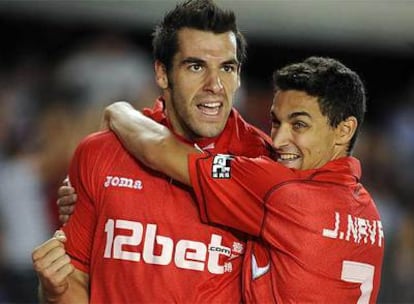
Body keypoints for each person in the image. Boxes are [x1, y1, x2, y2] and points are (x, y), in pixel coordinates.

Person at [31, 0, 274, 303]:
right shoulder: (101, 152)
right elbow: (74, 280)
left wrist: (117, 111)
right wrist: (56, 292)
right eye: (196, 66)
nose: (215, 85)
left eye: (227, 68)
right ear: (162, 73)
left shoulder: (267, 164)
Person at [97, 57, 385, 303]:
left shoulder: (278, 188)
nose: (278, 139)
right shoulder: (369, 214)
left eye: (299, 125)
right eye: (276, 122)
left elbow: (159, 149)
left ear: (345, 130)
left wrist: (119, 112)